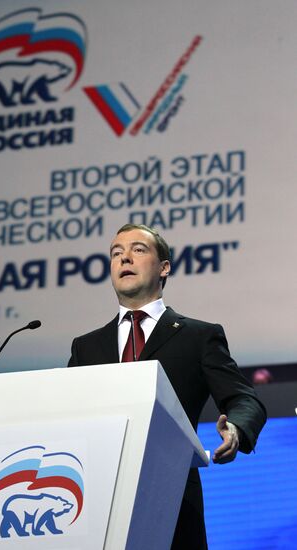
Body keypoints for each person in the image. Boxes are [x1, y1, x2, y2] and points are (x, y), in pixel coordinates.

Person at [68, 223, 267, 549]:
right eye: (116, 253)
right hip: (98, 501)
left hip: (172, 498)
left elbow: (244, 399)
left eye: (138, 250)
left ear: (164, 267)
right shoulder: (86, 347)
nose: (124, 258)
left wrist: (236, 428)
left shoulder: (198, 336)